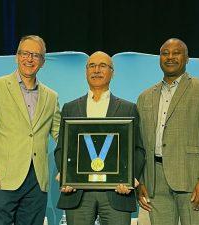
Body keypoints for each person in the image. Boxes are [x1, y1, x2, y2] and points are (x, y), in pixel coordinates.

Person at [0, 35, 61, 225]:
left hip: (37, 182)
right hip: (2, 179)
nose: (29, 59)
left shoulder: (51, 97)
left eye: (35, 55)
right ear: (16, 56)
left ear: (43, 62)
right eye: (25, 53)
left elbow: (62, 135)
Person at [136, 38, 199, 225]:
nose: (170, 57)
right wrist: (141, 180)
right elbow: (140, 143)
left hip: (191, 178)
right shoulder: (145, 97)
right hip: (155, 180)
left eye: (176, 53)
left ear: (187, 58)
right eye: (165, 53)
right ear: (159, 58)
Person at [54, 51, 145, 225]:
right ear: (86, 71)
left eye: (103, 66)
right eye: (92, 66)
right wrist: (67, 177)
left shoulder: (128, 108)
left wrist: (128, 178)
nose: (97, 70)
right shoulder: (70, 108)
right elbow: (61, 149)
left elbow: (138, 150)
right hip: (78, 193)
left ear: (112, 72)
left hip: (117, 193)